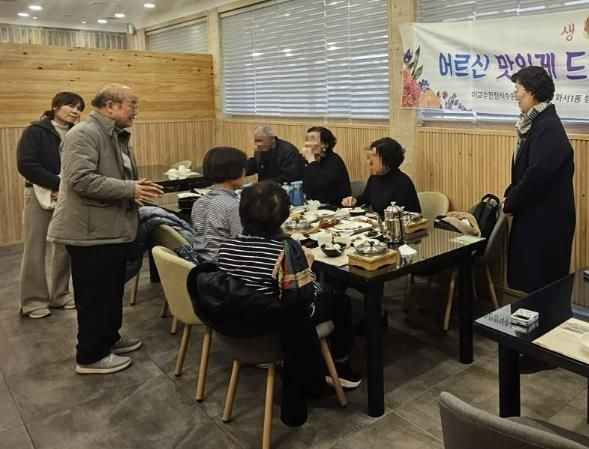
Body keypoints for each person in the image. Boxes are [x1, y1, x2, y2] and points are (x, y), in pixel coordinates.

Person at [47, 84, 164, 374]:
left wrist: (135, 188)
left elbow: (115, 177)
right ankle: (90, 356)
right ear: (110, 106)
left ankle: (109, 338)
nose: (136, 110)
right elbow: (80, 179)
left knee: (110, 293)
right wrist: (129, 189)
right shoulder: (83, 134)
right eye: (132, 104)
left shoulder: (114, 135)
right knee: (94, 297)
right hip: (89, 232)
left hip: (110, 229)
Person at [504, 66, 575, 294]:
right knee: (531, 285)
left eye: (518, 89)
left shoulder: (548, 126)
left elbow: (536, 175)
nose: (515, 95)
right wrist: (511, 192)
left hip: (547, 223)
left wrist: (511, 201)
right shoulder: (536, 123)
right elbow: (527, 170)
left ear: (532, 92)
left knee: (543, 288)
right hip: (535, 217)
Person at [17, 92, 85, 319]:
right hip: (38, 194)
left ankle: (60, 295)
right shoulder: (35, 131)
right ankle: (33, 301)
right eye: (70, 106)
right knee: (35, 248)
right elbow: (26, 165)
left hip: (67, 195)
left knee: (64, 247)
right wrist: (58, 184)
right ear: (55, 106)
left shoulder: (78, 132)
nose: (75, 111)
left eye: (79, 108)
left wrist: (65, 188)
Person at [191, 146, 247, 263]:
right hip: (224, 265)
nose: (245, 172)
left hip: (201, 262)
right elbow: (242, 244)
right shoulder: (232, 206)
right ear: (233, 171)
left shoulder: (199, 202)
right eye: (243, 169)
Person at [341, 137, 421, 215]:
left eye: (374, 158)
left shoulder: (403, 183)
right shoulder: (374, 178)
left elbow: (404, 215)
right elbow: (365, 199)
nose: (370, 162)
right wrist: (354, 200)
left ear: (388, 160)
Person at [301, 126, 351, 206]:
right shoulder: (307, 160)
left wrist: (312, 162)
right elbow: (305, 187)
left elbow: (322, 187)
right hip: (312, 207)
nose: (308, 144)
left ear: (325, 145)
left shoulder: (334, 161)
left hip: (335, 208)